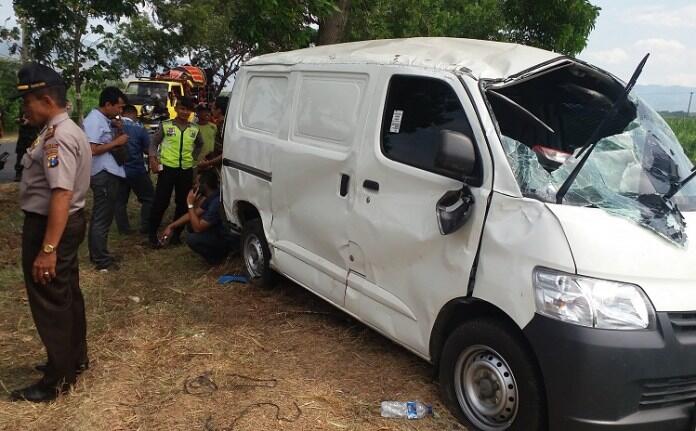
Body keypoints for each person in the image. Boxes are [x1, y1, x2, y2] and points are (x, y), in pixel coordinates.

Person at [11, 63, 91, 402]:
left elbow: (61, 194)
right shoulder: (61, 130)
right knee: (66, 291)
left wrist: (47, 248)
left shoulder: (58, 138)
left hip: (51, 226)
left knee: (50, 299)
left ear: (45, 99)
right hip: (64, 224)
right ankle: (73, 359)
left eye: (28, 102)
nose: (25, 109)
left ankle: (58, 379)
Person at [148, 96, 204, 247]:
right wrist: (153, 158)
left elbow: (200, 144)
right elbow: (153, 142)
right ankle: (152, 233)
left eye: (188, 110)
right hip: (167, 169)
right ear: (176, 109)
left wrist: (193, 158)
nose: (185, 112)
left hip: (186, 170)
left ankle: (176, 235)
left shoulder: (194, 129)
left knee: (182, 203)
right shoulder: (166, 125)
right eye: (182, 109)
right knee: (161, 201)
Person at [83, 87, 128, 271]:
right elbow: (91, 149)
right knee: (102, 217)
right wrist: (116, 143)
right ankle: (101, 260)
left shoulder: (104, 120)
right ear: (108, 104)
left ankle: (100, 253)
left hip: (109, 173)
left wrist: (117, 130)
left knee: (104, 216)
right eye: (119, 107)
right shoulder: (94, 121)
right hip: (102, 174)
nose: (120, 111)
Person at [162, 169, 237, 264]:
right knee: (191, 224)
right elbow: (194, 213)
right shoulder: (213, 195)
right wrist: (171, 226)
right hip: (219, 231)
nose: (194, 186)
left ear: (204, 185)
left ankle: (218, 260)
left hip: (226, 238)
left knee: (193, 238)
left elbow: (198, 228)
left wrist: (190, 204)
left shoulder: (216, 203)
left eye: (196, 184)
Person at [114, 104, 154, 235]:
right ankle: (146, 226)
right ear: (134, 114)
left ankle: (123, 229)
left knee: (120, 201)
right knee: (148, 198)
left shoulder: (113, 125)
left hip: (118, 169)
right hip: (136, 169)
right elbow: (147, 149)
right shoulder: (139, 128)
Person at [197, 96, 228, 171]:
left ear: (219, 110)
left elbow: (226, 153)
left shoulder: (222, 127)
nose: (211, 111)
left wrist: (208, 163)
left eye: (213, 108)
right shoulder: (221, 124)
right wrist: (208, 156)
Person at [14, 108, 41, 182]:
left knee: (33, 156)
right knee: (20, 156)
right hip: (22, 138)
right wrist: (19, 120)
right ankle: (18, 174)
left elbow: (39, 124)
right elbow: (17, 120)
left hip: (32, 138)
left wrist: (29, 122)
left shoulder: (36, 112)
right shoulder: (23, 110)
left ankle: (33, 174)